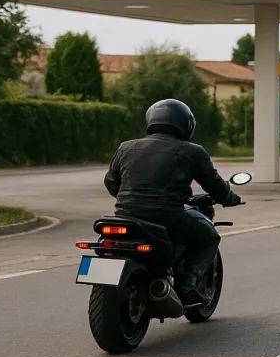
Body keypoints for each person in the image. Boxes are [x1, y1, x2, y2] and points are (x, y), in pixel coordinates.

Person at [104, 99, 242, 304]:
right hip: (168, 217)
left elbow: (111, 182)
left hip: (126, 216)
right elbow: (214, 185)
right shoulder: (192, 151)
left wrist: (132, 199)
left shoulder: (126, 147)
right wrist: (230, 198)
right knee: (209, 235)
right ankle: (187, 284)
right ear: (187, 124)